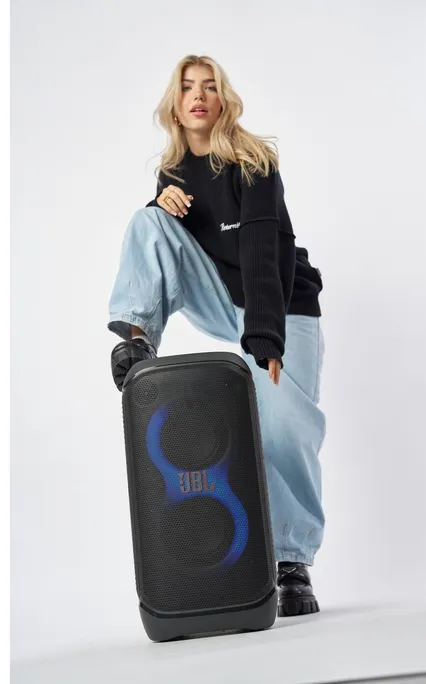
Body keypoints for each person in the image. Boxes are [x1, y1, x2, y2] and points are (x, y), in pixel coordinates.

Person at [107, 55, 326, 617]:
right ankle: (135, 337)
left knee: (284, 428)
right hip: (221, 299)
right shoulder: (173, 175)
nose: (199, 96)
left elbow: (263, 251)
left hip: (281, 302)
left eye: (209, 87)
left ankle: (291, 562)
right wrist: (162, 205)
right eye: (188, 88)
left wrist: (266, 336)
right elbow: (167, 251)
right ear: (175, 105)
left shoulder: (253, 162)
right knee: (147, 220)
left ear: (223, 100)